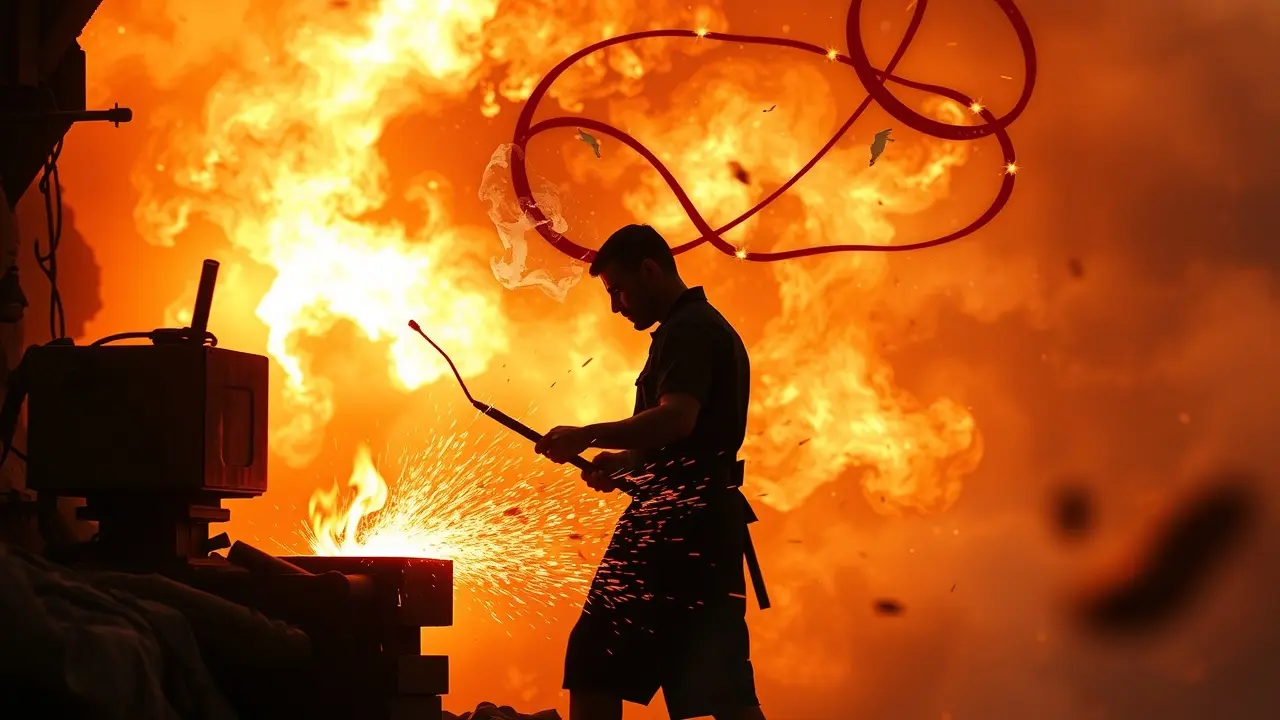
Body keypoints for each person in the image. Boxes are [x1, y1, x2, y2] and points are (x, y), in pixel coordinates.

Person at [535, 224, 768, 720]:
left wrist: (587, 435)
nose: (616, 306)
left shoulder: (689, 330)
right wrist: (627, 464)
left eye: (618, 290)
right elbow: (692, 439)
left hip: (673, 531)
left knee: (596, 661)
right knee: (721, 684)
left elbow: (678, 418)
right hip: (704, 529)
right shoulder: (698, 326)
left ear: (648, 270)